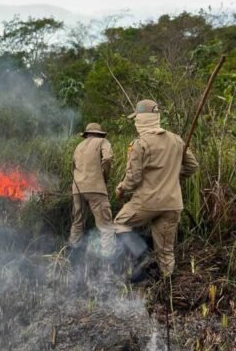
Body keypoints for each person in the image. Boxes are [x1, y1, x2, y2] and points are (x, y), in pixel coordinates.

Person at [114, 99, 198, 281]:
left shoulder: (140, 143)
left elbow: (133, 179)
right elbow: (192, 166)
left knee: (120, 223)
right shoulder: (177, 139)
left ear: (141, 119)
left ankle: (142, 257)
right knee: (166, 252)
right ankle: (167, 291)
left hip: (147, 203)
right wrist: (173, 177)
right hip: (173, 204)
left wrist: (121, 188)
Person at [69, 122, 114, 256]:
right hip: (96, 189)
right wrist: (105, 177)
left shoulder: (79, 146)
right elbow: (107, 158)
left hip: (77, 189)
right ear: (99, 133)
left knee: (77, 223)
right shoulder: (103, 141)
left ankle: (72, 254)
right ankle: (108, 261)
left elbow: (72, 167)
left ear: (87, 134)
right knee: (106, 227)